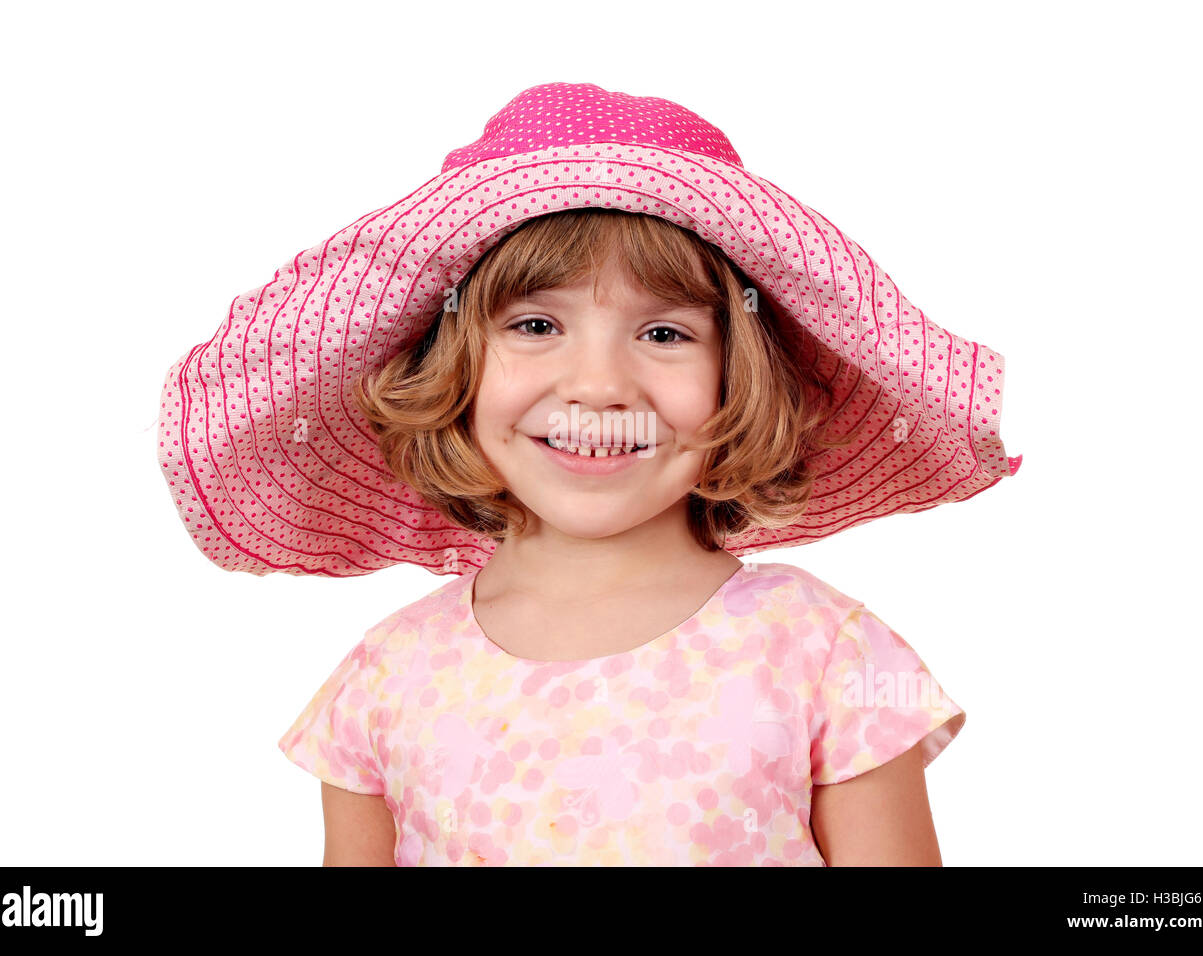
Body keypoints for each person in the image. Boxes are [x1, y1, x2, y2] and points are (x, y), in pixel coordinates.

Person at [156, 82, 1020, 866]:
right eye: (535, 325)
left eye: (664, 333)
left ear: (740, 377)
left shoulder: (825, 652)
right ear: (450, 369)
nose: (600, 385)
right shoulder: (385, 676)